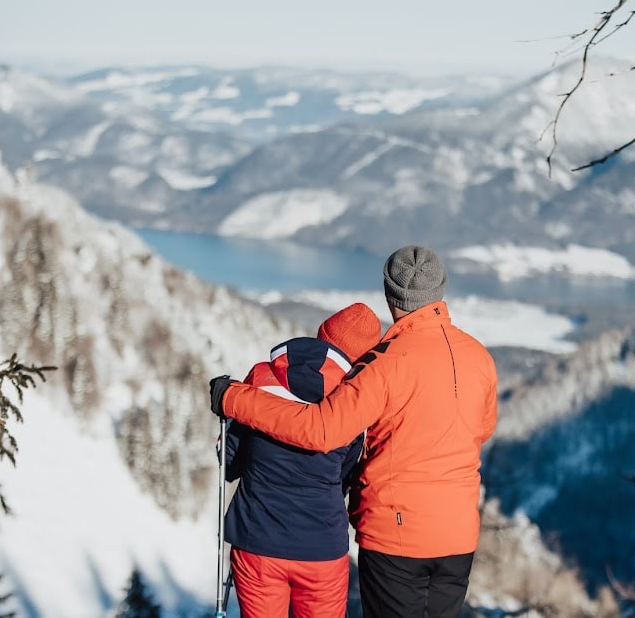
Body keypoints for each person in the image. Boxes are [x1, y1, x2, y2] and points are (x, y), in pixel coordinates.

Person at [210, 246, 498, 618]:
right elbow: (482, 429)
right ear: (441, 289)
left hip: (394, 535)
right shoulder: (479, 357)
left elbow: (321, 430)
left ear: (390, 294)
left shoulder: (385, 364)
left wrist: (233, 397)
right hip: (457, 536)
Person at [223, 302, 382, 618]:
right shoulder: (355, 404)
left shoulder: (261, 379)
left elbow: (229, 459)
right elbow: (346, 477)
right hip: (322, 549)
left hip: (256, 541)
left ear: (323, 336)